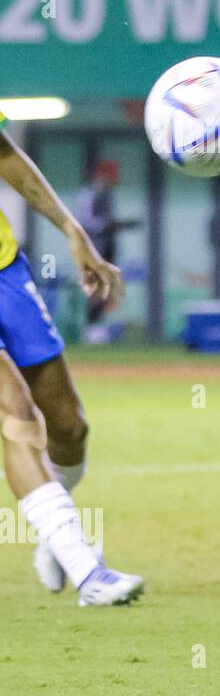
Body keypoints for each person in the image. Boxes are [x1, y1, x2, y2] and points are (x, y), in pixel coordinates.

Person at [0, 116, 144, 605]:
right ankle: (90, 574)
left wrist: (71, 228)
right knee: (14, 409)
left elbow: (6, 155)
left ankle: (54, 541)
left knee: (69, 425)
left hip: (4, 271)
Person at [74, 160, 139, 343]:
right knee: (94, 288)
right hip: (92, 249)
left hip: (107, 249)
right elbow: (85, 223)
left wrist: (119, 226)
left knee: (107, 288)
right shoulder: (88, 194)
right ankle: (90, 329)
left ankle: (98, 328)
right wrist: (113, 225)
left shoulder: (108, 195)